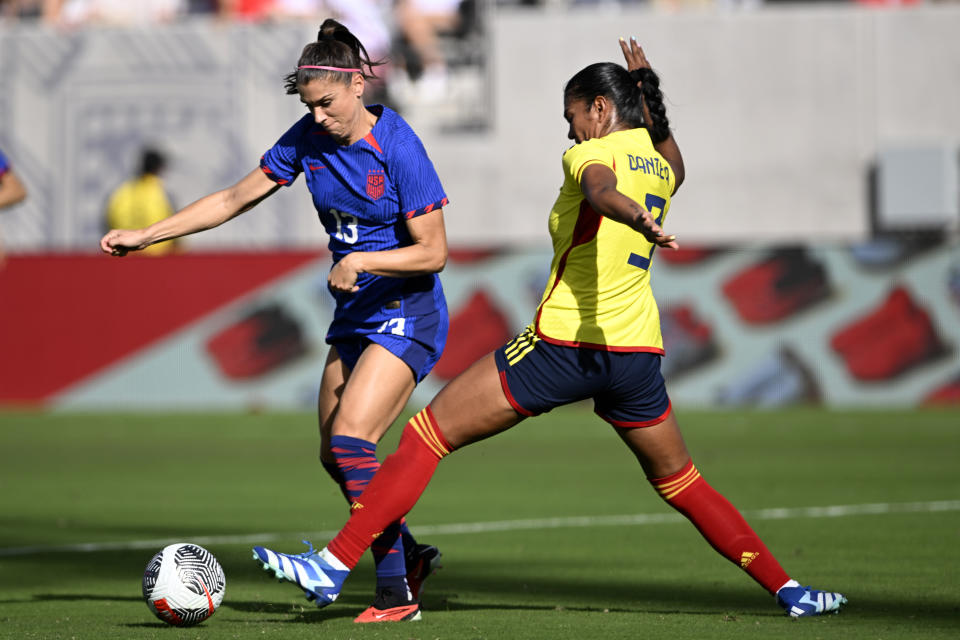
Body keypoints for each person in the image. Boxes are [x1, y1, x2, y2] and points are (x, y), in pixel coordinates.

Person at [252, 37, 848, 620]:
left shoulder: (590, 154)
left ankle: (335, 562)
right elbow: (673, 162)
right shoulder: (660, 165)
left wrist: (630, 213)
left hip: (563, 344)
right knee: (682, 481)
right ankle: (789, 589)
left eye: (572, 116)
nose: (568, 130)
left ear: (600, 109)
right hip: (636, 353)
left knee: (426, 436)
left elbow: (600, 190)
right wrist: (650, 101)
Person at [101, 18, 450, 623]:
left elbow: (433, 251)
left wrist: (364, 259)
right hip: (355, 315)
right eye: (308, 104)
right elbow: (234, 198)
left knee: (352, 441)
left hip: (407, 311)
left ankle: (396, 594)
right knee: (333, 456)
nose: (317, 116)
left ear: (357, 87)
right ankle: (409, 554)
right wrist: (147, 234)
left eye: (326, 103)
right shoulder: (308, 138)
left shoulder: (399, 146)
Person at [105, 148, 179, 256]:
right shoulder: (162, 191)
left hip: (126, 255)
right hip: (158, 256)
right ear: (159, 168)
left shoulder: (122, 191)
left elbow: (108, 221)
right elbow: (177, 224)